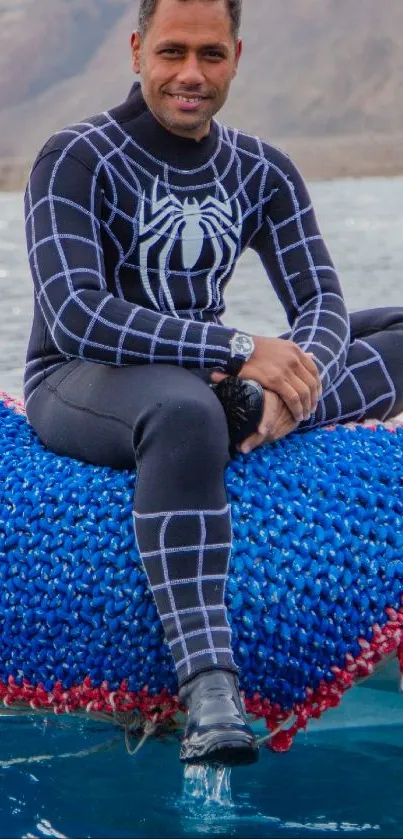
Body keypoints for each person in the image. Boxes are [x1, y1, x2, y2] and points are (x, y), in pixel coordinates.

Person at [24, 0, 403, 768]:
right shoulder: (76, 156)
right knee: (185, 410)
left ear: (236, 56)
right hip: (86, 378)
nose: (189, 74)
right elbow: (76, 312)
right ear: (135, 51)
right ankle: (208, 684)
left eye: (210, 53)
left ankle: (257, 416)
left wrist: (285, 385)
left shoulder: (259, 168)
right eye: (171, 52)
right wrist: (236, 345)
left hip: (221, 381)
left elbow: (322, 303)